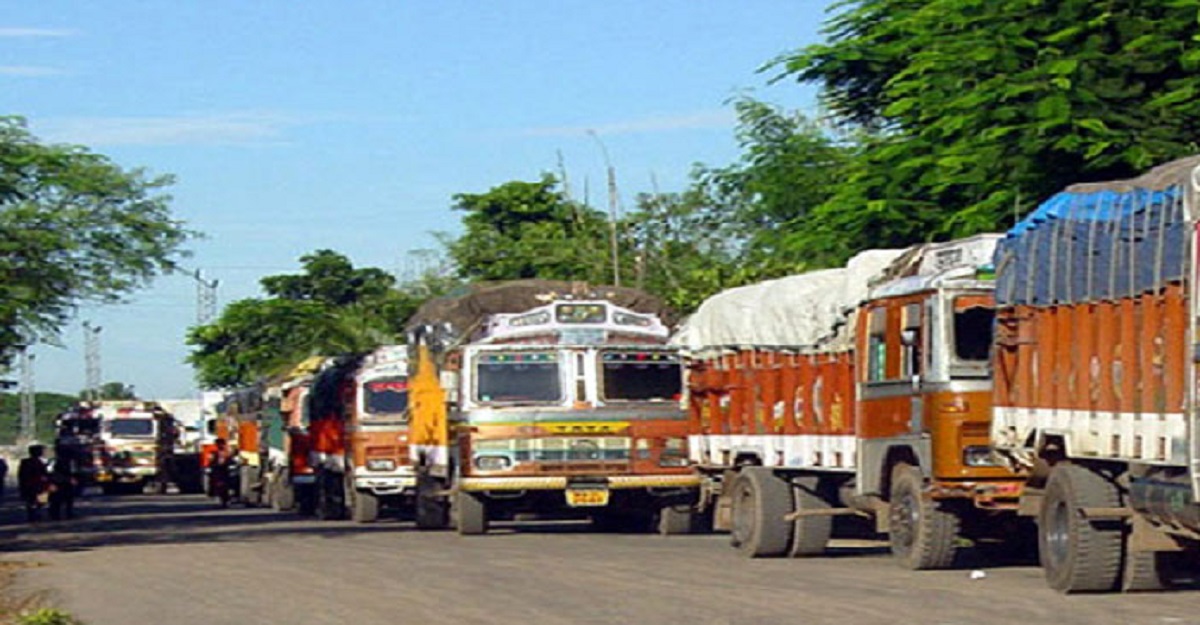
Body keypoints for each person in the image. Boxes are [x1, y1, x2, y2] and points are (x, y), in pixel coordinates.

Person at [17, 444, 50, 522]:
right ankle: (35, 515)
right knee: (37, 501)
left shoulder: (26, 462)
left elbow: (21, 474)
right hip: (36, 485)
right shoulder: (37, 462)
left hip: (31, 485)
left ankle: (34, 515)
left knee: (34, 501)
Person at [48, 445, 77, 521]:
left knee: (63, 499)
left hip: (62, 482)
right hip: (60, 482)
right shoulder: (55, 461)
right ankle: (59, 514)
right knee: (60, 500)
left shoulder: (55, 461)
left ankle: (61, 514)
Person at [207, 438, 234, 507]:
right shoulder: (214, 452)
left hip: (225, 470)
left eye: (221, 444)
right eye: (217, 444)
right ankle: (222, 500)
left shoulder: (228, 452)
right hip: (217, 471)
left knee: (225, 486)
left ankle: (226, 500)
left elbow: (231, 461)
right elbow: (211, 461)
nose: (219, 446)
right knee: (218, 486)